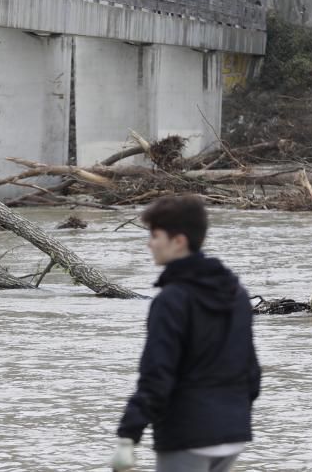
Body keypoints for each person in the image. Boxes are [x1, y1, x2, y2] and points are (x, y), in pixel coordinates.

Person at [111, 195, 261, 472]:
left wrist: (128, 433)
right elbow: (251, 371)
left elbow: (157, 375)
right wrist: (235, 413)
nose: (149, 243)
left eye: (155, 235)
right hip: (233, 433)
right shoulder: (237, 294)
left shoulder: (172, 300)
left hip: (187, 433)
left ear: (178, 240)